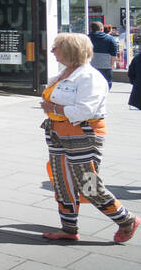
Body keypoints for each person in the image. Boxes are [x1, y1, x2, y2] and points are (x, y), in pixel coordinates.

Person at [40, 33, 138, 243]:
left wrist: (53, 107)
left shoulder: (90, 77)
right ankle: (68, 228)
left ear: (69, 50)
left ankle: (126, 219)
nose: (52, 51)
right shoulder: (65, 73)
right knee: (62, 182)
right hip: (57, 134)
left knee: (88, 184)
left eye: (56, 47)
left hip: (83, 135)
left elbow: (85, 110)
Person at [88, 21, 117, 88]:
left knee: (92, 85)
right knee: (106, 85)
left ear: (91, 29)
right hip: (105, 66)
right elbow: (113, 54)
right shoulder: (110, 39)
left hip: (90, 66)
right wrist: (112, 65)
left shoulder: (86, 38)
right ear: (101, 29)